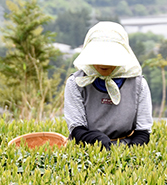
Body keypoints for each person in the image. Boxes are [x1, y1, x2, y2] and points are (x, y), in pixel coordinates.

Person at [64, 21, 153, 150]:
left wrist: (128, 155)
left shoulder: (137, 84)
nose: (103, 63)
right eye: (98, 55)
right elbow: (77, 129)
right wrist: (96, 139)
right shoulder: (77, 82)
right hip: (87, 148)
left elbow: (143, 131)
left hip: (126, 147)